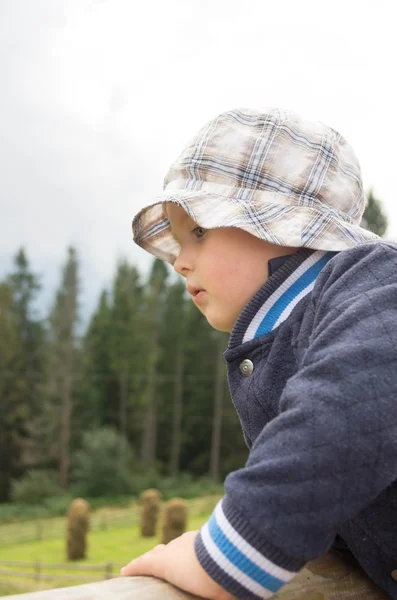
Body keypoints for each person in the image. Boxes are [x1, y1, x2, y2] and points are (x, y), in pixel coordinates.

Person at [121, 107, 397, 599]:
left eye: (199, 231)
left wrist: (232, 551)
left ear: (285, 226)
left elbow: (348, 411)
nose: (180, 262)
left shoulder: (376, 287)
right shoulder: (286, 337)